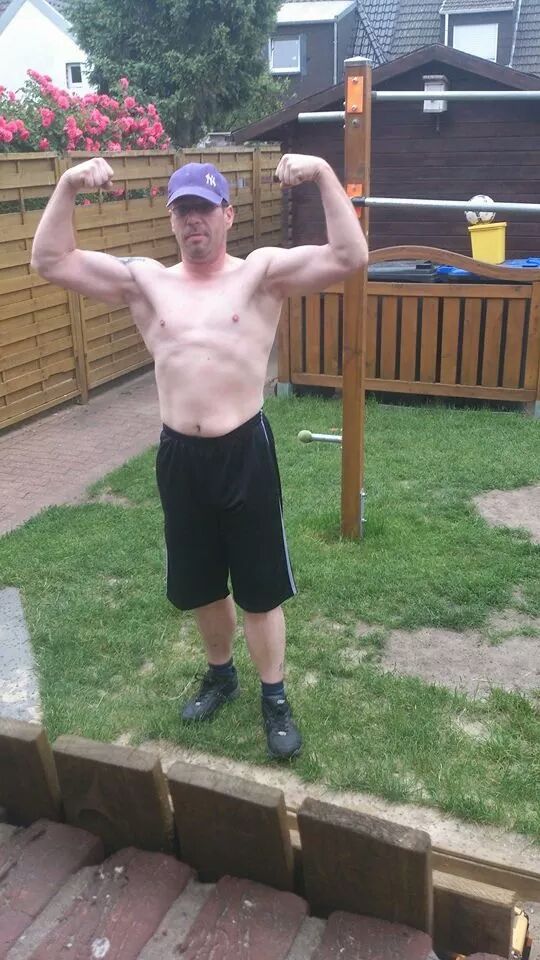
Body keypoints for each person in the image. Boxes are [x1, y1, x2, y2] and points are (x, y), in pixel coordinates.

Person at [31, 152, 368, 760]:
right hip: (180, 457)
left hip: (245, 452)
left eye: (204, 210)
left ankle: (274, 697)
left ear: (227, 215)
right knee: (203, 583)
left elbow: (350, 256)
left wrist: (321, 171)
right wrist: (68, 185)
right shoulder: (146, 283)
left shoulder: (260, 274)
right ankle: (220, 675)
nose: (194, 222)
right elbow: (51, 260)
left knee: (260, 588)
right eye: (183, 211)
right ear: (171, 219)